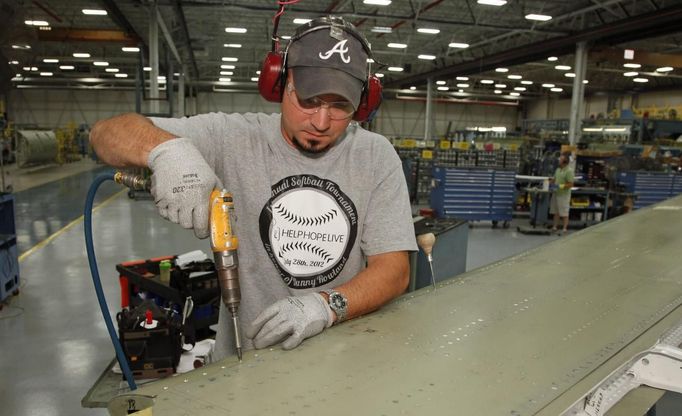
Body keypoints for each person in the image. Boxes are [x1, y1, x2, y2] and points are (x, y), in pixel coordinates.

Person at [89, 16, 417, 362]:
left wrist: (326, 306)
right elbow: (106, 133)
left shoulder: (375, 156)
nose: (322, 122)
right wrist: (168, 152)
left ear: (363, 103)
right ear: (280, 83)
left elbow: (394, 270)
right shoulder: (232, 137)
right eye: (308, 100)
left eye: (340, 106)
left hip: (340, 356)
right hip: (245, 358)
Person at [549, 153, 574, 235]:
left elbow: (570, 184)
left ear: (565, 161)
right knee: (556, 211)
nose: (559, 161)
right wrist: (550, 182)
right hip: (556, 193)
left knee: (564, 212)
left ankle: (564, 228)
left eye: (560, 159)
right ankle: (555, 226)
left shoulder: (569, 171)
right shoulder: (558, 170)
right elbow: (554, 179)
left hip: (563, 195)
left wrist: (560, 186)